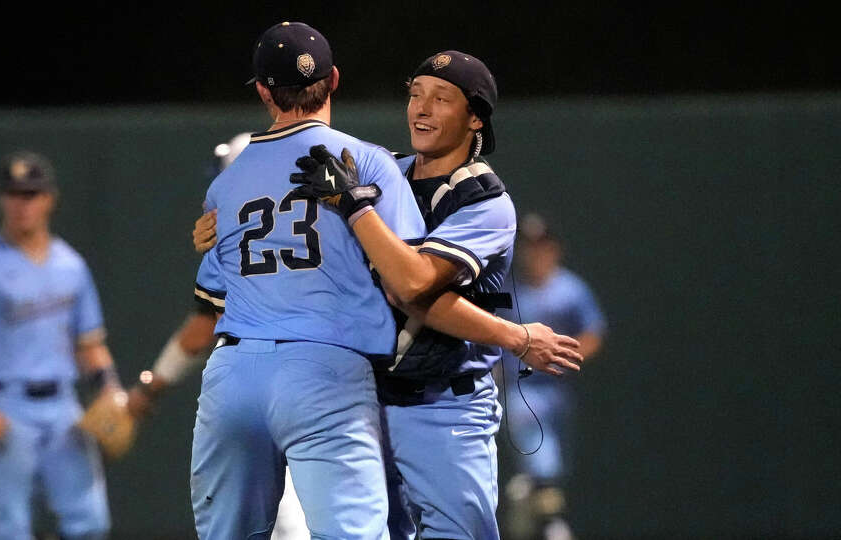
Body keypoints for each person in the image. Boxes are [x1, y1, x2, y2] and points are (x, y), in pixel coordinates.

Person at [289, 51, 583, 539]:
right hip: (362, 400)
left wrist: (357, 210)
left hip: (444, 405)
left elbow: (412, 285)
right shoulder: (382, 171)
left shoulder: (485, 200)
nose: (420, 109)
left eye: (441, 98)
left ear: (475, 118)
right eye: (415, 94)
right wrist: (223, 223)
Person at [187, 21, 426, 539]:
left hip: (234, 373)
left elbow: (212, 294)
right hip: (326, 370)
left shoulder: (225, 186)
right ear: (334, 79)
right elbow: (411, 282)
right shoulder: (364, 161)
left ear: (264, 92)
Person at [126, 132, 310, 540]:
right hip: (330, 380)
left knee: (275, 517)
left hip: (260, 380)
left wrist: (150, 386)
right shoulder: (322, 223)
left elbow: (201, 329)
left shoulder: (240, 236)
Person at [0, 151, 118, 540]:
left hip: (62, 409)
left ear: (49, 199)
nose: (23, 203)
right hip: (4, 406)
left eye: (32, 194)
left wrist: (110, 393)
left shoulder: (71, 265)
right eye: (14, 194)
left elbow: (89, 343)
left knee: (89, 523)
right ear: (1, 199)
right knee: (10, 529)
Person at [499, 213, 607, 540]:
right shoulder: (506, 290)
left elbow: (594, 332)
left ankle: (529, 496)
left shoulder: (570, 289)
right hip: (519, 388)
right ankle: (550, 519)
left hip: (557, 389)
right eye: (529, 247)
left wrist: (567, 358)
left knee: (556, 463)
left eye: (542, 246)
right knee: (538, 450)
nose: (536, 254)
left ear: (555, 249)